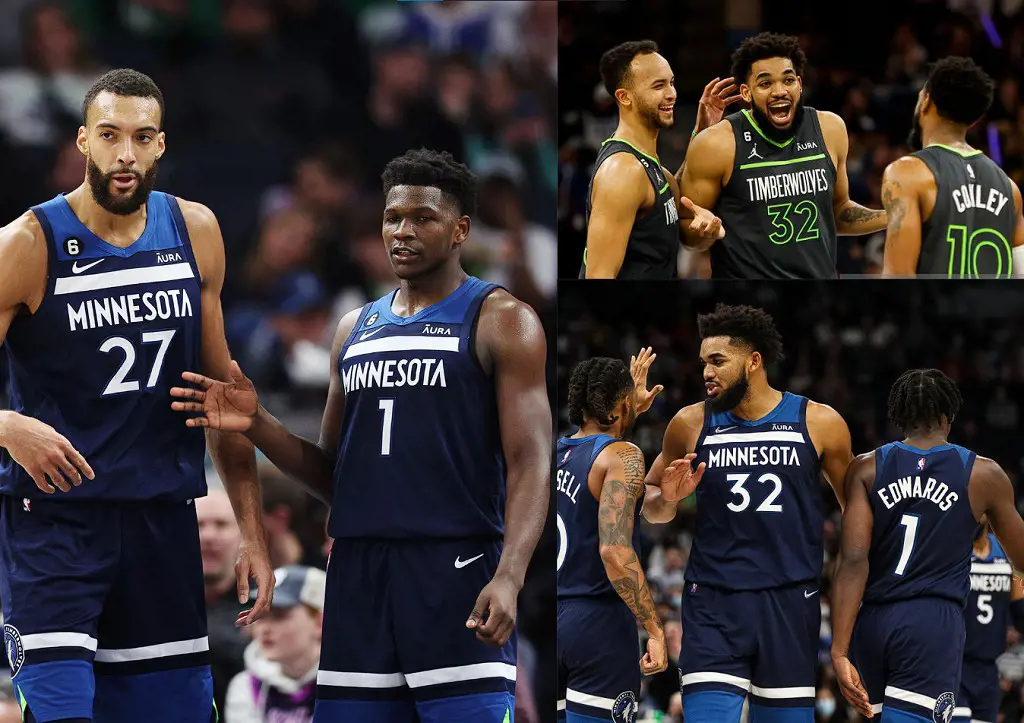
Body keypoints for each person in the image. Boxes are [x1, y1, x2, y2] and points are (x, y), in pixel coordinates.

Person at [170, 148, 551, 722]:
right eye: (393, 217)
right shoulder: (353, 329)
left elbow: (531, 461)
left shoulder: (502, 319)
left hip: (454, 569)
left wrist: (510, 574)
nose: (403, 231)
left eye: (423, 218)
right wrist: (258, 422)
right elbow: (333, 475)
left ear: (460, 230)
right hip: (358, 577)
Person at [0, 68, 274, 723]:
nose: (125, 152)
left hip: (161, 522)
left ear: (160, 145)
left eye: (141, 136)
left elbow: (223, 398)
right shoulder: (28, 244)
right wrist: (7, 424)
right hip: (56, 528)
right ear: (83, 141)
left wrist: (252, 531)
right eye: (110, 134)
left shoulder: (195, 230)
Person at [642, 303, 854, 722]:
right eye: (704, 362)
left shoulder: (818, 421)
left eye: (718, 361)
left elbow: (857, 511)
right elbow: (653, 510)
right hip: (713, 602)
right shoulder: (689, 423)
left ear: (754, 361)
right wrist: (667, 496)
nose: (707, 372)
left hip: (790, 602)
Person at [830, 369, 1024, 721]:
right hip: (931, 623)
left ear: (900, 415)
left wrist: (839, 652)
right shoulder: (983, 474)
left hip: (873, 621)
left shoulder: (865, 468)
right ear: (949, 416)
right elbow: (1022, 559)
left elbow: (852, 562)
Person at [555, 350, 695, 721]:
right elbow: (615, 551)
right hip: (596, 622)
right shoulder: (623, 455)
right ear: (619, 404)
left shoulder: (553, 453)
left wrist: (667, 496)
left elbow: (645, 508)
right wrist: (654, 628)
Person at [679, 32, 887, 278]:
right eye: (766, 83)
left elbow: (837, 212)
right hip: (748, 305)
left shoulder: (830, 128)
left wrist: (893, 215)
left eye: (787, 80)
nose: (779, 91)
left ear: (799, 84)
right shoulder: (716, 143)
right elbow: (689, 236)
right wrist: (702, 233)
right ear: (746, 93)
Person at [579, 40, 733, 279]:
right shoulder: (623, 171)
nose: (671, 93)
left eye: (671, 82)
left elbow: (672, 191)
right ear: (625, 97)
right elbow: (599, 276)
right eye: (658, 86)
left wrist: (701, 134)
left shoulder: (646, 165)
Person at [880, 56, 1024, 278]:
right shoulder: (1010, 189)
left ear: (926, 101)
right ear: (973, 120)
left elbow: (898, 280)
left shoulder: (907, 173)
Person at [225, 565, 327, 723]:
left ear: (319, 623)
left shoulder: (346, 680)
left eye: (279, 616)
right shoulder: (246, 686)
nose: (264, 628)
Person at [954, 523, 1024, 723]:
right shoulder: (952, 550)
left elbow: (1021, 614)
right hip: (953, 665)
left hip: (989, 670)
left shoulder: (1007, 553)